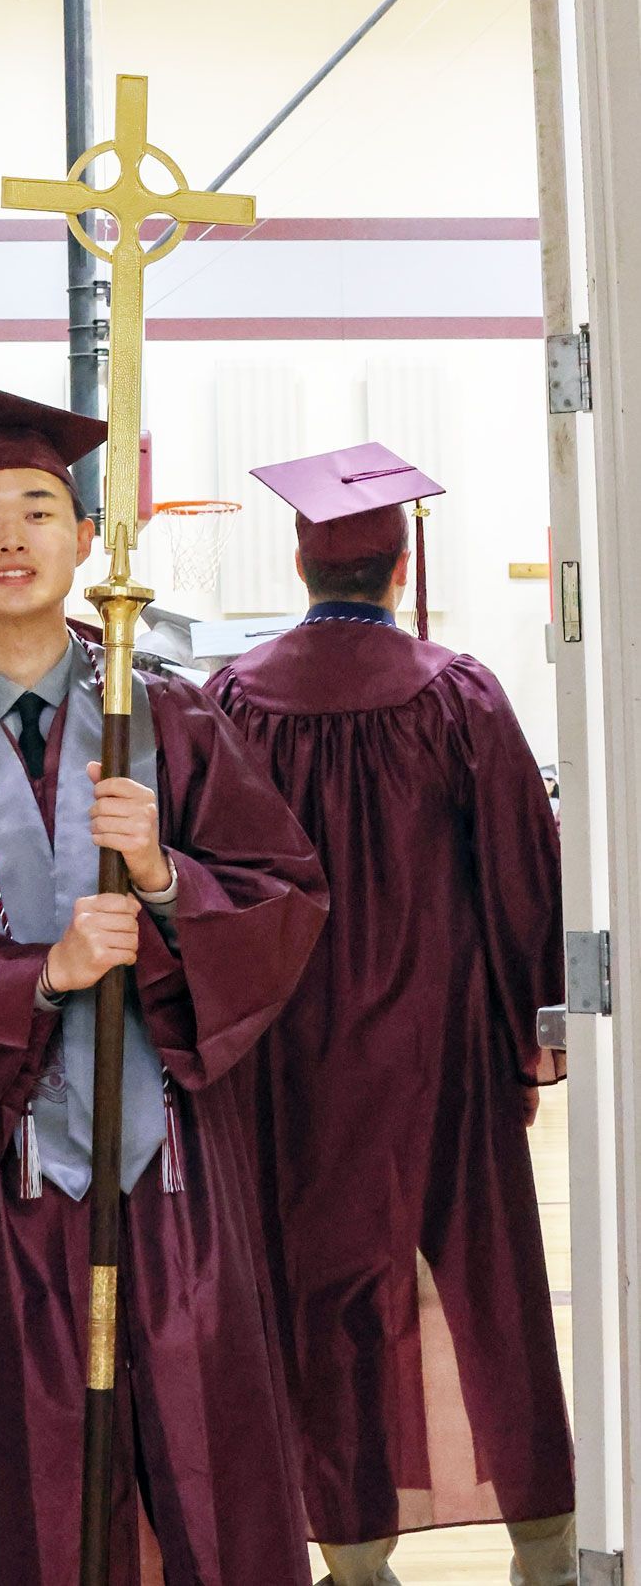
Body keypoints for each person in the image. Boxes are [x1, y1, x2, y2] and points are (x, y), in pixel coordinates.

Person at [0, 387, 330, 1586]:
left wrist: (167, 875)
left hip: (168, 1173)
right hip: (0, 1183)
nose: (12, 536)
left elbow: (287, 896)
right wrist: (41, 971)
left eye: (41, 509)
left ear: (84, 538)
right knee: (16, 1477)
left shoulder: (170, 718)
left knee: (207, 1461)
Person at [207, 443, 575, 1586]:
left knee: (331, 1299)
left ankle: (357, 1559)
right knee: (497, 1285)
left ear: (299, 558)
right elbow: (524, 870)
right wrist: (532, 1026)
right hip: (446, 1051)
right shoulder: (458, 694)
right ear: (402, 562)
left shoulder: (233, 699)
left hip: (292, 1063)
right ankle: (547, 1548)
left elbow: (210, 881)